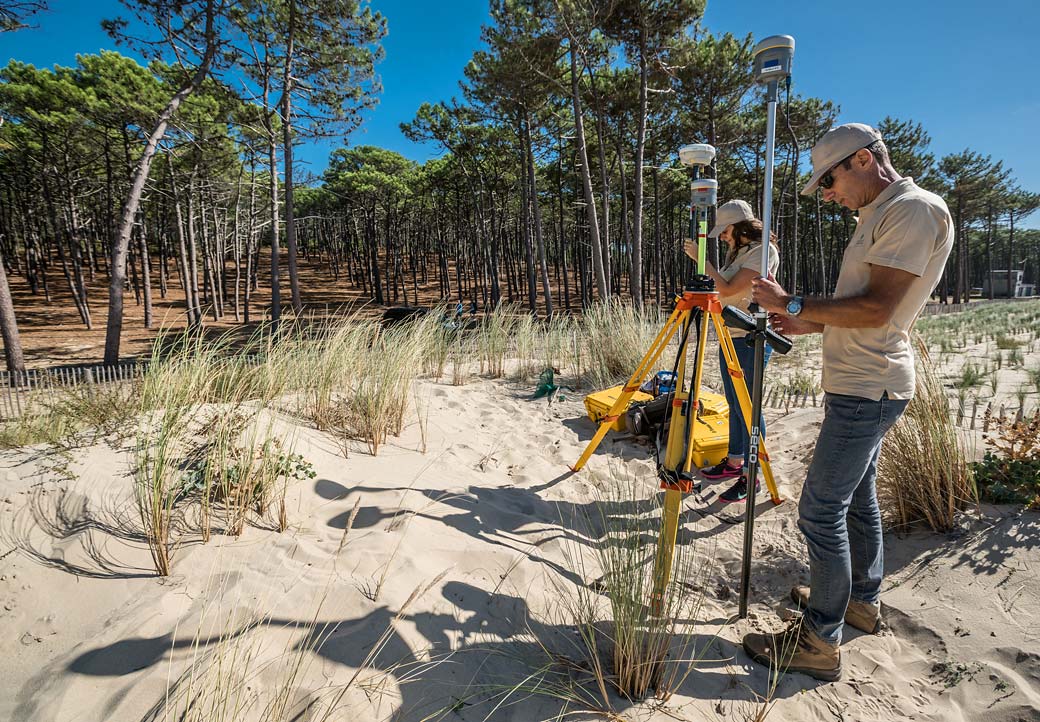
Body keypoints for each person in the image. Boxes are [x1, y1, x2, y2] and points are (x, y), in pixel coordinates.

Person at [741, 123, 954, 682]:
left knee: (819, 509)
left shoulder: (911, 211)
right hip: (858, 381)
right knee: (858, 501)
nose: (827, 193)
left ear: (863, 160)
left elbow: (879, 308)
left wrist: (795, 299)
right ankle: (860, 601)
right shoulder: (878, 214)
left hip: (869, 385)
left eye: (829, 180)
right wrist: (804, 322)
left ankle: (819, 638)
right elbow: (859, 309)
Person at [683, 200, 779, 504]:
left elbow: (727, 289)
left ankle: (753, 477)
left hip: (751, 337)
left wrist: (705, 264)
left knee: (749, 408)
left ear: (737, 227)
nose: (721, 237)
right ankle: (735, 461)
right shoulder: (738, 252)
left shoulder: (763, 252)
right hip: (730, 334)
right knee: (734, 403)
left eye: (723, 231)